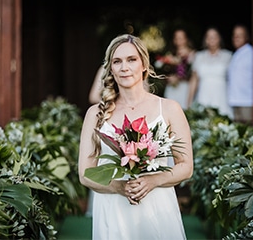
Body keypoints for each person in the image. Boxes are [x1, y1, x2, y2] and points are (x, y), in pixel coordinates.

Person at [78, 34, 193, 239]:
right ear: (110, 69)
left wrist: (153, 180)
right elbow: (85, 173)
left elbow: (185, 166)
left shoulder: (168, 109)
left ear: (144, 65)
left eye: (131, 60)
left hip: (157, 206)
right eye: (117, 61)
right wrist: (119, 187)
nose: (124, 67)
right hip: (113, 209)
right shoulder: (95, 114)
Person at [187, 27, 233, 118]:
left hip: (222, 95)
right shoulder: (199, 56)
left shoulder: (228, 56)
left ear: (219, 39)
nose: (212, 39)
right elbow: (194, 80)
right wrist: (189, 102)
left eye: (214, 36)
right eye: (209, 37)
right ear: (206, 40)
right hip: (203, 95)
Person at [156, 29, 196, 109]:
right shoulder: (169, 55)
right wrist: (168, 78)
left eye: (181, 38)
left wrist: (178, 78)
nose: (179, 40)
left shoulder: (192, 55)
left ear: (186, 39)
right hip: (172, 88)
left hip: (185, 88)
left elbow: (193, 74)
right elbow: (163, 73)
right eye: (176, 38)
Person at [227, 24, 253, 123]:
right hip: (235, 100)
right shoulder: (235, 54)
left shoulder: (251, 53)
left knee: (248, 132)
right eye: (234, 35)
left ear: (246, 37)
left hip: (247, 100)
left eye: (240, 35)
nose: (236, 38)